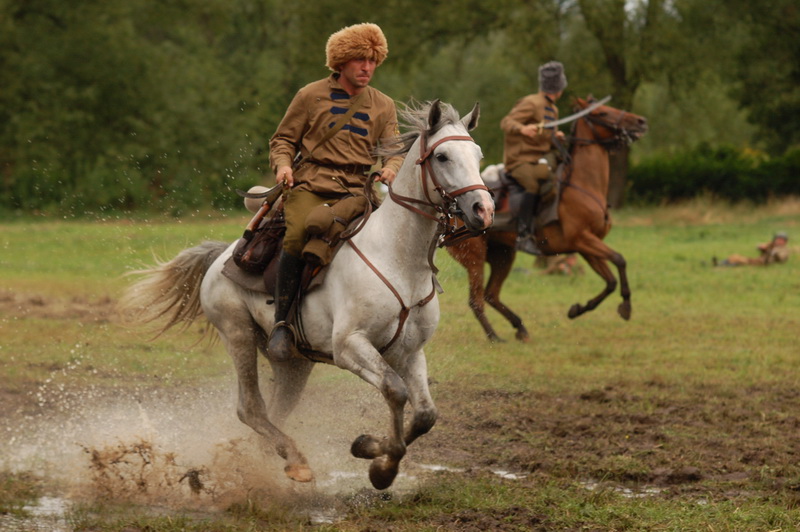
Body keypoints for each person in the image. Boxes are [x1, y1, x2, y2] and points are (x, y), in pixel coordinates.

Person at [267, 22, 404, 361]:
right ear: (341, 62)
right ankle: (282, 323)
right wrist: (283, 166)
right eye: (360, 60)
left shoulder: (384, 104)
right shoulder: (310, 95)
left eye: (372, 61)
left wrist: (391, 168)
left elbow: (394, 150)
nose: (367, 68)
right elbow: (283, 140)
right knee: (298, 234)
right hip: (311, 184)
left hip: (357, 190)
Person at [500, 60, 568, 255]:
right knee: (533, 184)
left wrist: (555, 136)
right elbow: (506, 122)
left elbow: (544, 134)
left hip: (539, 158)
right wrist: (522, 128)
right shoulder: (531, 102)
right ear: (559, 88)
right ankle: (523, 236)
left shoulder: (553, 109)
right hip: (519, 160)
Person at [713, 232, 790, 266]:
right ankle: (720, 263)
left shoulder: (784, 250)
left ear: (785, 242)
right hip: (759, 260)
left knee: (739, 260)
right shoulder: (771, 245)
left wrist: (772, 251)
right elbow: (760, 246)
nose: (779, 241)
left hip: (764, 263)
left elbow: (781, 259)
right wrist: (762, 248)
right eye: (778, 239)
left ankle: (721, 265)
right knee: (734, 256)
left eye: (782, 240)